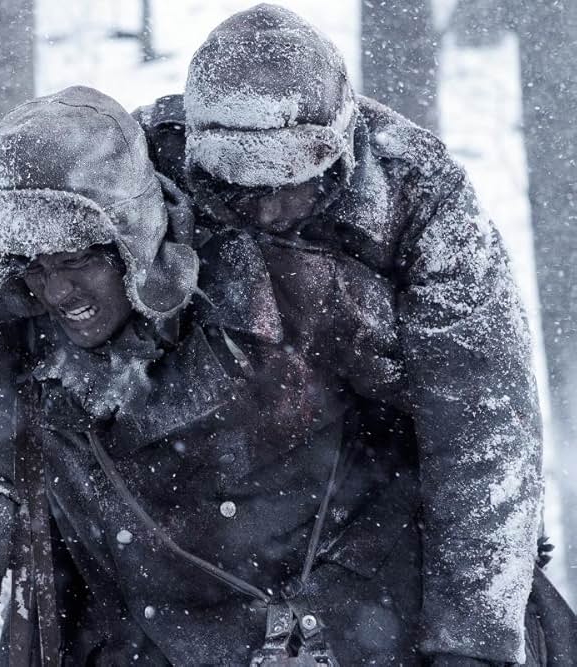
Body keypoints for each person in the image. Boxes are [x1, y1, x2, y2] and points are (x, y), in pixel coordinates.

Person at [0, 83, 567, 664]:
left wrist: (483, 575)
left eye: (77, 261)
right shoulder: (32, 288)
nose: (58, 290)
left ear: (136, 233)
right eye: (37, 268)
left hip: (358, 606)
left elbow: (473, 417)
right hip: (149, 624)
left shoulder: (309, 270)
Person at [129, 4, 575, 665]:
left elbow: (482, 423)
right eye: (241, 188)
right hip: (201, 501)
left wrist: (473, 637)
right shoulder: (142, 152)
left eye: (291, 182)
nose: (270, 208)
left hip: (388, 490)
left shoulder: (421, 191)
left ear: (340, 149)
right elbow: (8, 246)